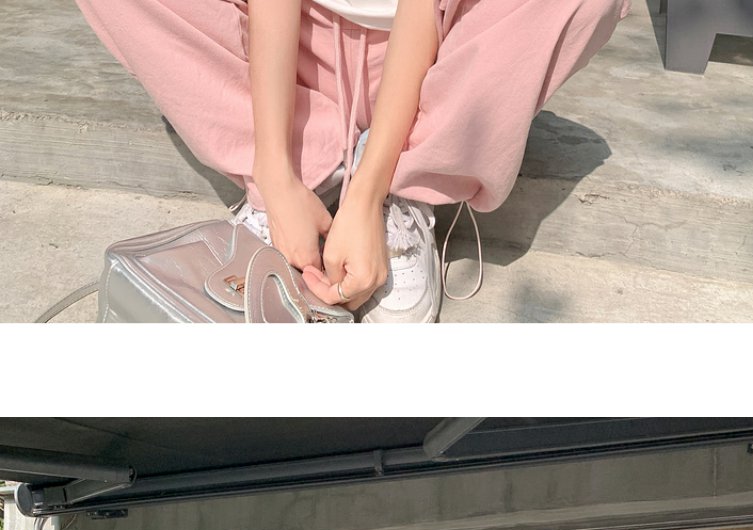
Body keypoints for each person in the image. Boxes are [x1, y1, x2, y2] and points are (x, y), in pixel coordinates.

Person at [74, 0, 630, 323]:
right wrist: (276, 173)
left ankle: (403, 182)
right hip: (294, 49)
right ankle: (306, 162)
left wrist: (368, 193)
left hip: (440, 53)